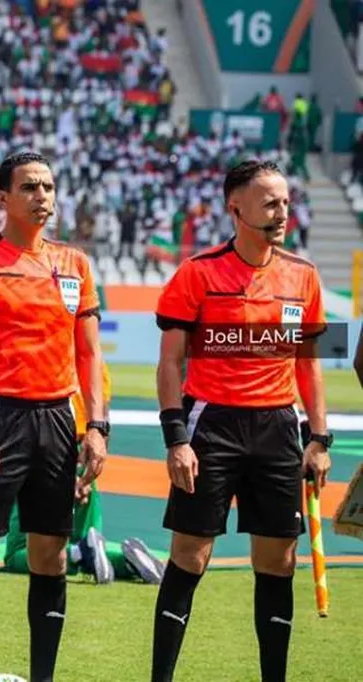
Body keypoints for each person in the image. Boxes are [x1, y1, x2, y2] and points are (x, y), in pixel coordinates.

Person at [151, 159, 333, 682]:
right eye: (270, 203)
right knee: (191, 556)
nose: (282, 212)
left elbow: (309, 363)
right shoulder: (197, 273)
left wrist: (319, 437)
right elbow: (170, 362)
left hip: (278, 429)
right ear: (236, 208)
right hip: (211, 427)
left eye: (286, 202)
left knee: (279, 563)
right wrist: (176, 438)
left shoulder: (304, 275)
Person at [0, 152, 108, 682]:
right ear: (3, 197)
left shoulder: (75, 264)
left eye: (49, 187)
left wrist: (96, 427)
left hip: (58, 420)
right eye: (30, 187)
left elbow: (89, 354)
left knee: (51, 555)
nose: (42, 197)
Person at [4, 361, 166, 585]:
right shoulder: (96, 366)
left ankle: (81, 554)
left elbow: (38, 416)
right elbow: (103, 423)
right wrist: (87, 475)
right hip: (87, 453)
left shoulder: (46, 358)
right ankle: (126, 561)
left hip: (47, 453)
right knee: (85, 539)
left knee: (18, 552)